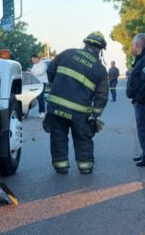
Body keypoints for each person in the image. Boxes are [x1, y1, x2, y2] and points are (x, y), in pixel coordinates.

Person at [45, 31, 109, 174]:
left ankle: (61, 165)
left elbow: (50, 70)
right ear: (100, 49)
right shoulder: (100, 69)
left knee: (58, 136)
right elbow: (102, 95)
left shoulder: (67, 53)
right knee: (82, 137)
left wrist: (56, 87)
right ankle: (85, 167)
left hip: (56, 107)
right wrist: (95, 114)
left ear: (85, 43)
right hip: (79, 112)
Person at [126, 33, 145, 167]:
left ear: (138, 45)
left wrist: (139, 98)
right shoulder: (141, 58)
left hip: (144, 101)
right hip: (139, 101)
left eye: (133, 44)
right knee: (141, 128)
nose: (132, 47)